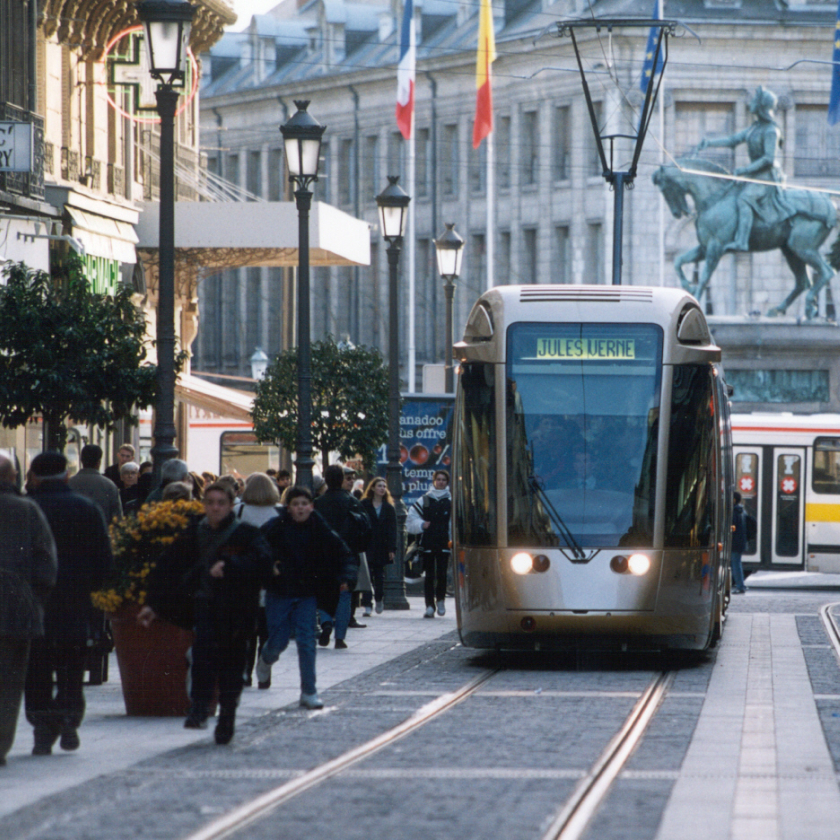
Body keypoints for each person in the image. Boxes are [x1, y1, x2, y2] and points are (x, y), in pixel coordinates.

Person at [138, 482, 271, 744]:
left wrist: (231, 565)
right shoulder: (193, 533)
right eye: (210, 502)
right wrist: (153, 604)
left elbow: (262, 562)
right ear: (204, 504)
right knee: (202, 657)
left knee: (233, 666)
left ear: (231, 505)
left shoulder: (245, 534)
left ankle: (227, 716)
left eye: (221, 502)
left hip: (237, 611)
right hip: (205, 606)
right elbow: (168, 568)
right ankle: (199, 708)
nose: (215, 508)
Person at [25, 452, 112, 755]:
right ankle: (69, 718)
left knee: (36, 668)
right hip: (76, 601)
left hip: (35, 601)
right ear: (66, 476)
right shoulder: (86, 508)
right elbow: (104, 559)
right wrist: (97, 592)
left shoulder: (27, 508)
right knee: (72, 667)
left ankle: (42, 725)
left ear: (34, 476)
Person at [256, 486, 355, 706]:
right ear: (288, 508)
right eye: (296, 504)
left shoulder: (320, 527)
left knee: (306, 641)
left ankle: (309, 692)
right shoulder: (275, 527)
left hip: (306, 593)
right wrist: (268, 565)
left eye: (304, 503)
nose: (300, 508)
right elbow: (257, 547)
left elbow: (342, 551)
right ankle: (266, 659)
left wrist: (346, 576)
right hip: (279, 591)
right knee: (279, 641)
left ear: (311, 506)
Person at [0, 454, 57, 767]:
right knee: (8, 684)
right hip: (16, 609)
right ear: (12, 478)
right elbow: (47, 565)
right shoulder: (27, 510)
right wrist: (33, 598)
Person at [697, 86, 795, 253]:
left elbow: (768, 159)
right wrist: (710, 143)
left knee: (744, 199)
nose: (751, 103)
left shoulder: (772, 130)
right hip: (755, 175)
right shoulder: (754, 128)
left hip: (767, 177)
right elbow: (733, 140)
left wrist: (744, 170)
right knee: (730, 196)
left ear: (762, 106)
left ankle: (742, 241)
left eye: (755, 101)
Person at [314, 465, 371, 648]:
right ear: (341, 479)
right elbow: (366, 526)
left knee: (323, 592)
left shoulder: (319, 502)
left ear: (326, 479)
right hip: (347, 554)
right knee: (345, 593)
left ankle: (326, 623)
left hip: (323, 555)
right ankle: (340, 637)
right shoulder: (352, 501)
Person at [236, 473, 283, 687]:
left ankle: (244, 673)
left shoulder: (239, 511)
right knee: (267, 632)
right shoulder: (279, 513)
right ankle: (265, 674)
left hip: (243, 581)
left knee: (246, 633)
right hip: (271, 581)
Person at [406, 470, 452, 618]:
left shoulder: (451, 500)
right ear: (433, 481)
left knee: (442, 573)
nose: (441, 482)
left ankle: (440, 601)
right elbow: (411, 518)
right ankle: (430, 606)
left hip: (445, 542)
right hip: (428, 542)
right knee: (429, 575)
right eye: (438, 479)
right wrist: (421, 524)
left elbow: (455, 523)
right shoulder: (425, 499)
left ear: (447, 482)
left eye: (444, 480)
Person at [360, 477, 397, 615]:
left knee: (379, 575)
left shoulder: (388, 507)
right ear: (373, 488)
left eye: (384, 486)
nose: (382, 488)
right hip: (367, 544)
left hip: (382, 545)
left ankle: (379, 598)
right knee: (367, 575)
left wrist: (392, 548)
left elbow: (393, 529)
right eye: (379, 486)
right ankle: (367, 604)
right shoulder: (364, 504)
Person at [69, 443, 123, 525]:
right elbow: (117, 518)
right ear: (99, 462)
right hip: (101, 534)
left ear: (82, 461)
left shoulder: (69, 483)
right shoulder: (109, 485)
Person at [731, 492, 748, 594]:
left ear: (734, 500)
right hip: (740, 542)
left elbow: (733, 528)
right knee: (736, 564)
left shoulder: (734, 511)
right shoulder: (741, 510)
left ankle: (740, 586)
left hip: (736, 543)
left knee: (736, 564)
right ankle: (740, 585)